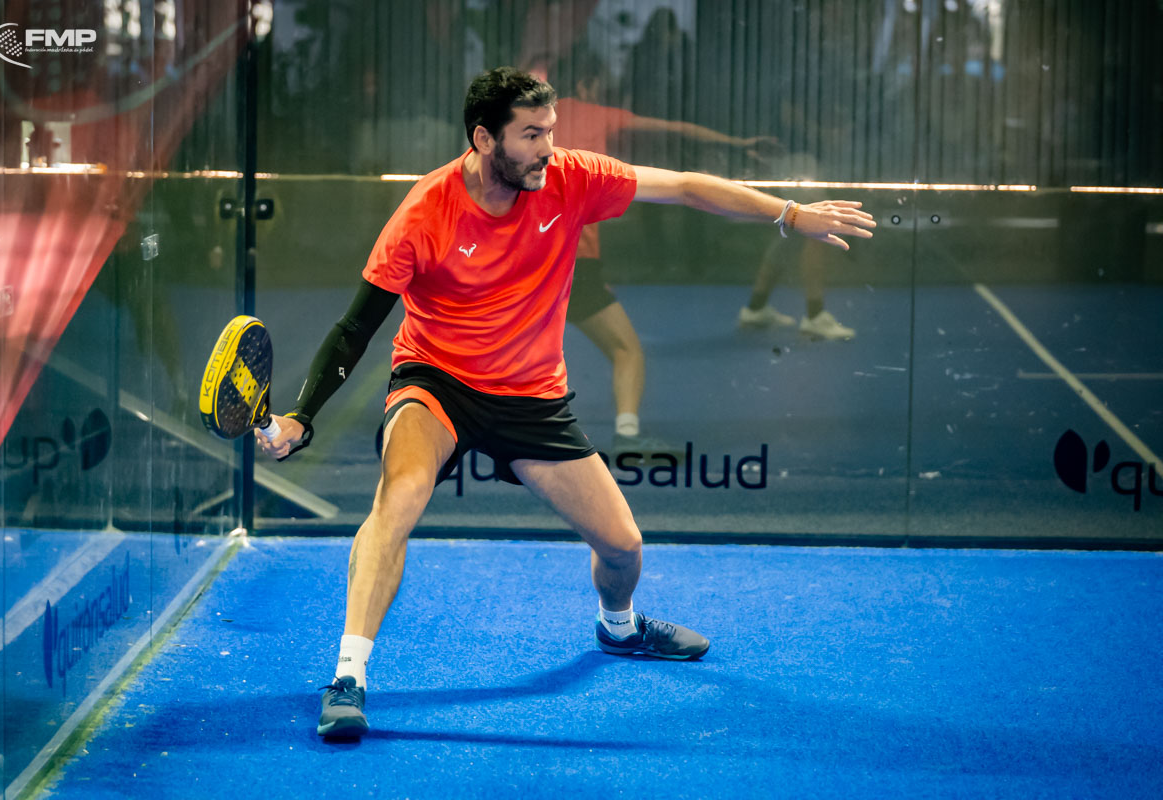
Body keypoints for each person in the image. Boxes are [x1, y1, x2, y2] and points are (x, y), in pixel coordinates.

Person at [256, 67, 875, 739]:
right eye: (531, 134)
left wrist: (789, 214)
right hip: (437, 380)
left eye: (550, 131)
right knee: (398, 498)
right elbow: (356, 326)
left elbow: (684, 187)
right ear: (484, 138)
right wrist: (302, 415)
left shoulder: (571, 178)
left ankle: (619, 627)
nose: (547, 148)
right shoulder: (425, 212)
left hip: (531, 395)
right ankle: (349, 677)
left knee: (623, 547)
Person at [553, 50, 780, 457]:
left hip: (534, 264)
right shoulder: (599, 115)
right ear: (587, 85)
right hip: (575, 266)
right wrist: (737, 143)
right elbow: (676, 129)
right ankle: (627, 435)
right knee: (626, 351)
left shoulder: (535, 127)